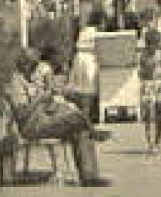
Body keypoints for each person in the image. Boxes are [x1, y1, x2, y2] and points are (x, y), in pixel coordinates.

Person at [6, 51, 112, 186]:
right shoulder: (15, 83)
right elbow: (22, 114)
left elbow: (48, 98)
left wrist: (55, 95)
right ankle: (94, 132)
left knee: (79, 130)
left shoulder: (33, 78)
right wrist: (41, 98)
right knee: (76, 118)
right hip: (32, 125)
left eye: (36, 66)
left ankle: (89, 177)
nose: (36, 70)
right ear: (24, 65)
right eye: (33, 66)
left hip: (46, 119)